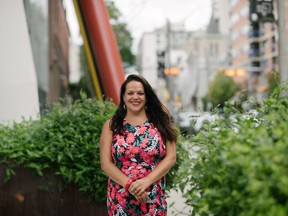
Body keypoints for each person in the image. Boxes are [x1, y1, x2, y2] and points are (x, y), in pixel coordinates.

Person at [100, 74, 177, 216]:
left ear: (147, 97)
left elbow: (171, 157)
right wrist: (130, 185)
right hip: (120, 199)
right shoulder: (111, 125)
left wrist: (146, 181)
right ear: (123, 96)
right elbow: (105, 163)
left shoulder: (160, 122)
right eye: (130, 93)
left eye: (140, 93)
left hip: (153, 196)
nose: (135, 97)